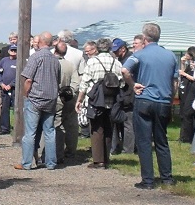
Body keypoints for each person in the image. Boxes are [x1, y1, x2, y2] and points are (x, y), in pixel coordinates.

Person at [124, 22, 178, 189]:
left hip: (145, 99)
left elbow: (124, 70)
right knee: (162, 140)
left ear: (144, 38)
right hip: (163, 100)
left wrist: (133, 84)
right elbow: (175, 81)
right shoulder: (170, 56)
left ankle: (148, 180)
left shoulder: (139, 55)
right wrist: (170, 98)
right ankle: (167, 177)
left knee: (144, 141)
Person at [76, 36, 123, 169]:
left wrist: (79, 100)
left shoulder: (92, 62)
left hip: (95, 100)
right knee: (109, 128)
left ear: (97, 47)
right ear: (109, 48)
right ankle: (106, 158)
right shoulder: (117, 63)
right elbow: (122, 82)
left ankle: (98, 160)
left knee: (96, 129)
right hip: (112, 100)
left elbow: (84, 83)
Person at [15, 32, 59, 171]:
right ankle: (51, 163)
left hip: (35, 98)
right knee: (50, 132)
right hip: (51, 99)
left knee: (30, 133)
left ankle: (26, 163)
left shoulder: (36, 57)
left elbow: (28, 79)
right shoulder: (55, 59)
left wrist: (25, 94)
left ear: (39, 42)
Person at [178, 46, 195, 143]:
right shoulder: (189, 64)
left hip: (191, 88)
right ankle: (183, 135)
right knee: (183, 111)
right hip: (185, 88)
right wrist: (183, 64)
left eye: (187, 53)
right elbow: (183, 73)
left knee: (188, 112)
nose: (186, 55)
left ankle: (188, 136)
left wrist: (184, 74)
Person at [0, 43, 19, 135]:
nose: (13, 52)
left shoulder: (19, 61)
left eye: (15, 50)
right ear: (9, 51)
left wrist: (11, 84)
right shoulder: (3, 61)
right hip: (4, 88)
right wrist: (1, 83)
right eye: (12, 50)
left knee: (16, 108)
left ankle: (18, 128)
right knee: (4, 108)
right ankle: (4, 128)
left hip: (14, 89)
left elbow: (19, 75)